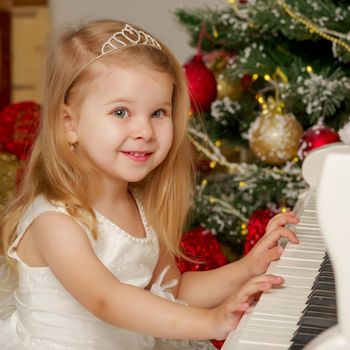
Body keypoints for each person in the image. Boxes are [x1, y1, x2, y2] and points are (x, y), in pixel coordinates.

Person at [0, 20, 299, 350]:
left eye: (158, 112)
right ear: (69, 123)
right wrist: (210, 321)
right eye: (121, 112)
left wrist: (247, 268)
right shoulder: (54, 220)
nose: (145, 130)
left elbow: (175, 291)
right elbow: (106, 300)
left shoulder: (138, 207)